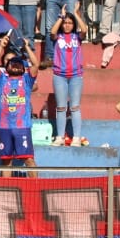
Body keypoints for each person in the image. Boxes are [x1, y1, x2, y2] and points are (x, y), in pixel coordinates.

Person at [0, 36, 38, 173]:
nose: (16, 65)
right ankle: (8, 192)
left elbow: (35, 65)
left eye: (19, 63)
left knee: (28, 159)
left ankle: (35, 188)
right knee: (6, 160)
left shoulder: (27, 80)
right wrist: (1, 47)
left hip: (22, 126)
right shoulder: (1, 80)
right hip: (3, 126)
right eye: (12, 63)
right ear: (6, 67)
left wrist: (27, 47)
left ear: (23, 68)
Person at [49, 8, 87, 145]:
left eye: (70, 23)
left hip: (76, 76)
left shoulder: (77, 37)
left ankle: (76, 137)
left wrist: (76, 14)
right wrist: (61, 16)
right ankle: (60, 136)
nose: (67, 25)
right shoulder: (57, 37)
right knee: (61, 107)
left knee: (75, 107)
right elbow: (52, 31)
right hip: (59, 76)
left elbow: (84, 30)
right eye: (65, 23)